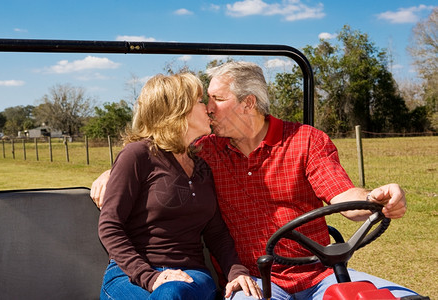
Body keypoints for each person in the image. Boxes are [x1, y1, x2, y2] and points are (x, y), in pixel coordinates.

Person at [92, 62, 418, 299]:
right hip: (258, 281)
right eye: (204, 101)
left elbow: (343, 196)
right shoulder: (208, 152)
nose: (208, 108)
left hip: (321, 272)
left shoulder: (305, 140)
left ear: (248, 103)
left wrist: (375, 200)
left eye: (217, 99)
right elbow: (158, 149)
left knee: (402, 298)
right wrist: (114, 171)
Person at [97, 72, 262, 300]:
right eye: (200, 101)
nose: (208, 108)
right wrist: (150, 277)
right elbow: (110, 226)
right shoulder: (137, 155)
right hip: (131, 275)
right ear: (178, 110)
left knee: (173, 292)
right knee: (168, 294)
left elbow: (216, 233)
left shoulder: (202, 166)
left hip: (190, 276)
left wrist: (237, 271)